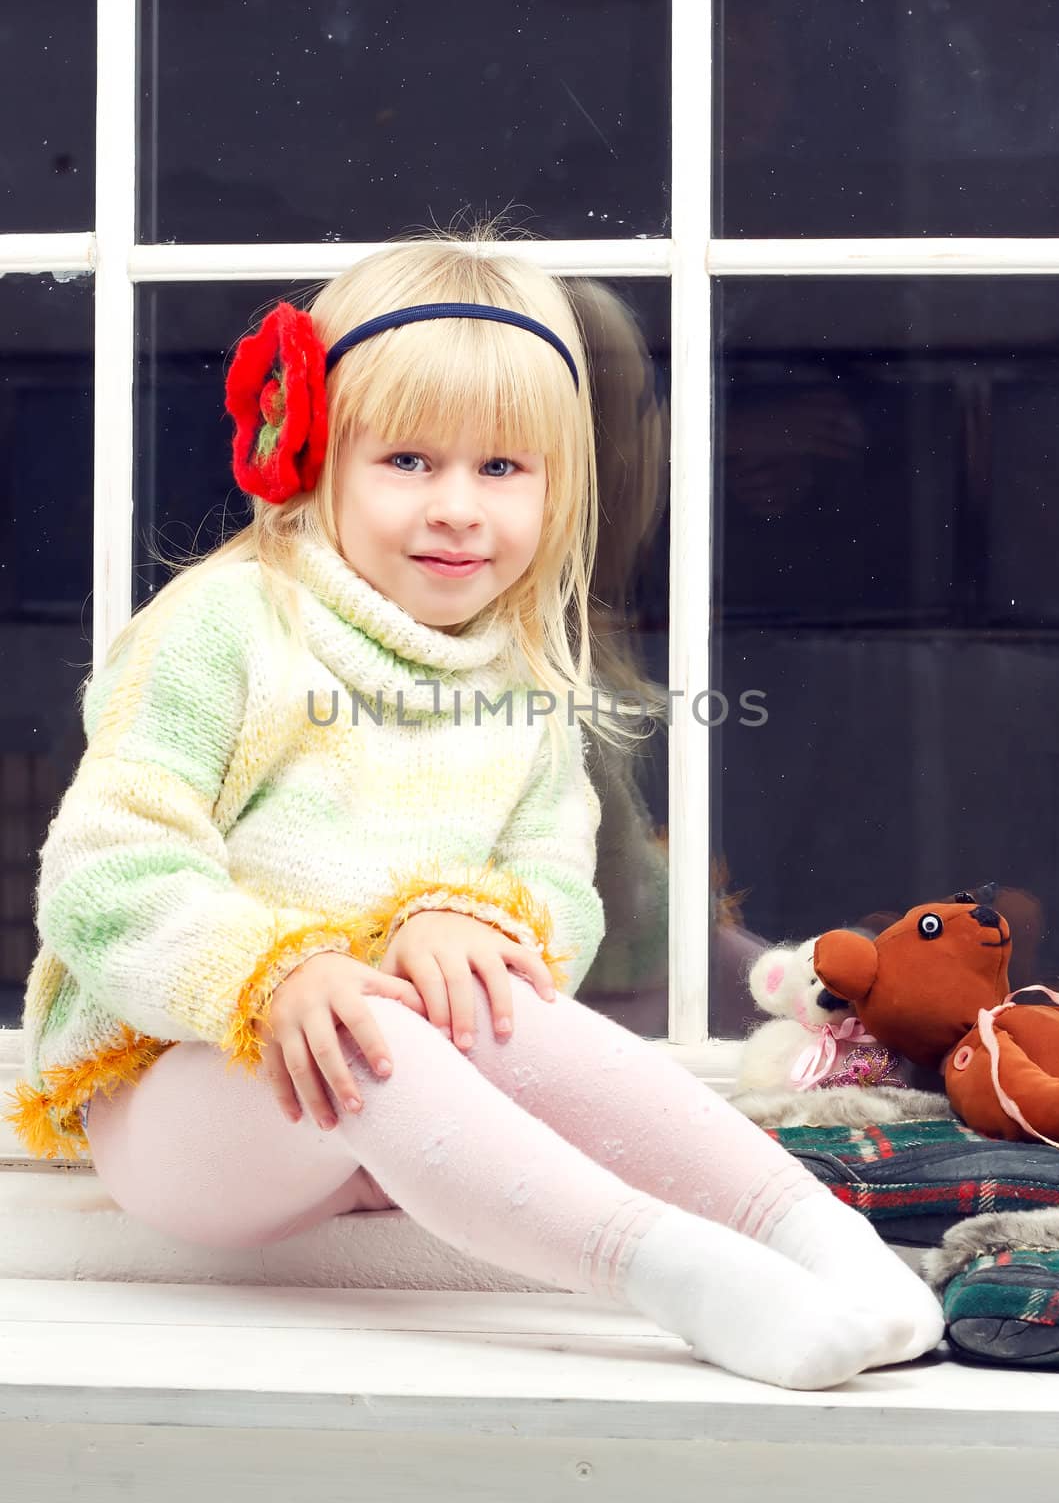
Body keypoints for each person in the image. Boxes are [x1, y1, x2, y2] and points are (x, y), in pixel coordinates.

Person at [3, 222, 943, 1392]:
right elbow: (106, 871)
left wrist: (474, 916)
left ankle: (820, 1241)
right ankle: (677, 1272)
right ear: (310, 454)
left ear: (555, 489)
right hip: (189, 1100)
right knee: (368, 1021)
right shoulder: (226, 628)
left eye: (500, 470)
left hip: (399, 1117)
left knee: (510, 1007)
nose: (457, 507)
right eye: (408, 461)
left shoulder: (515, 671)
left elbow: (561, 885)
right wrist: (276, 972)